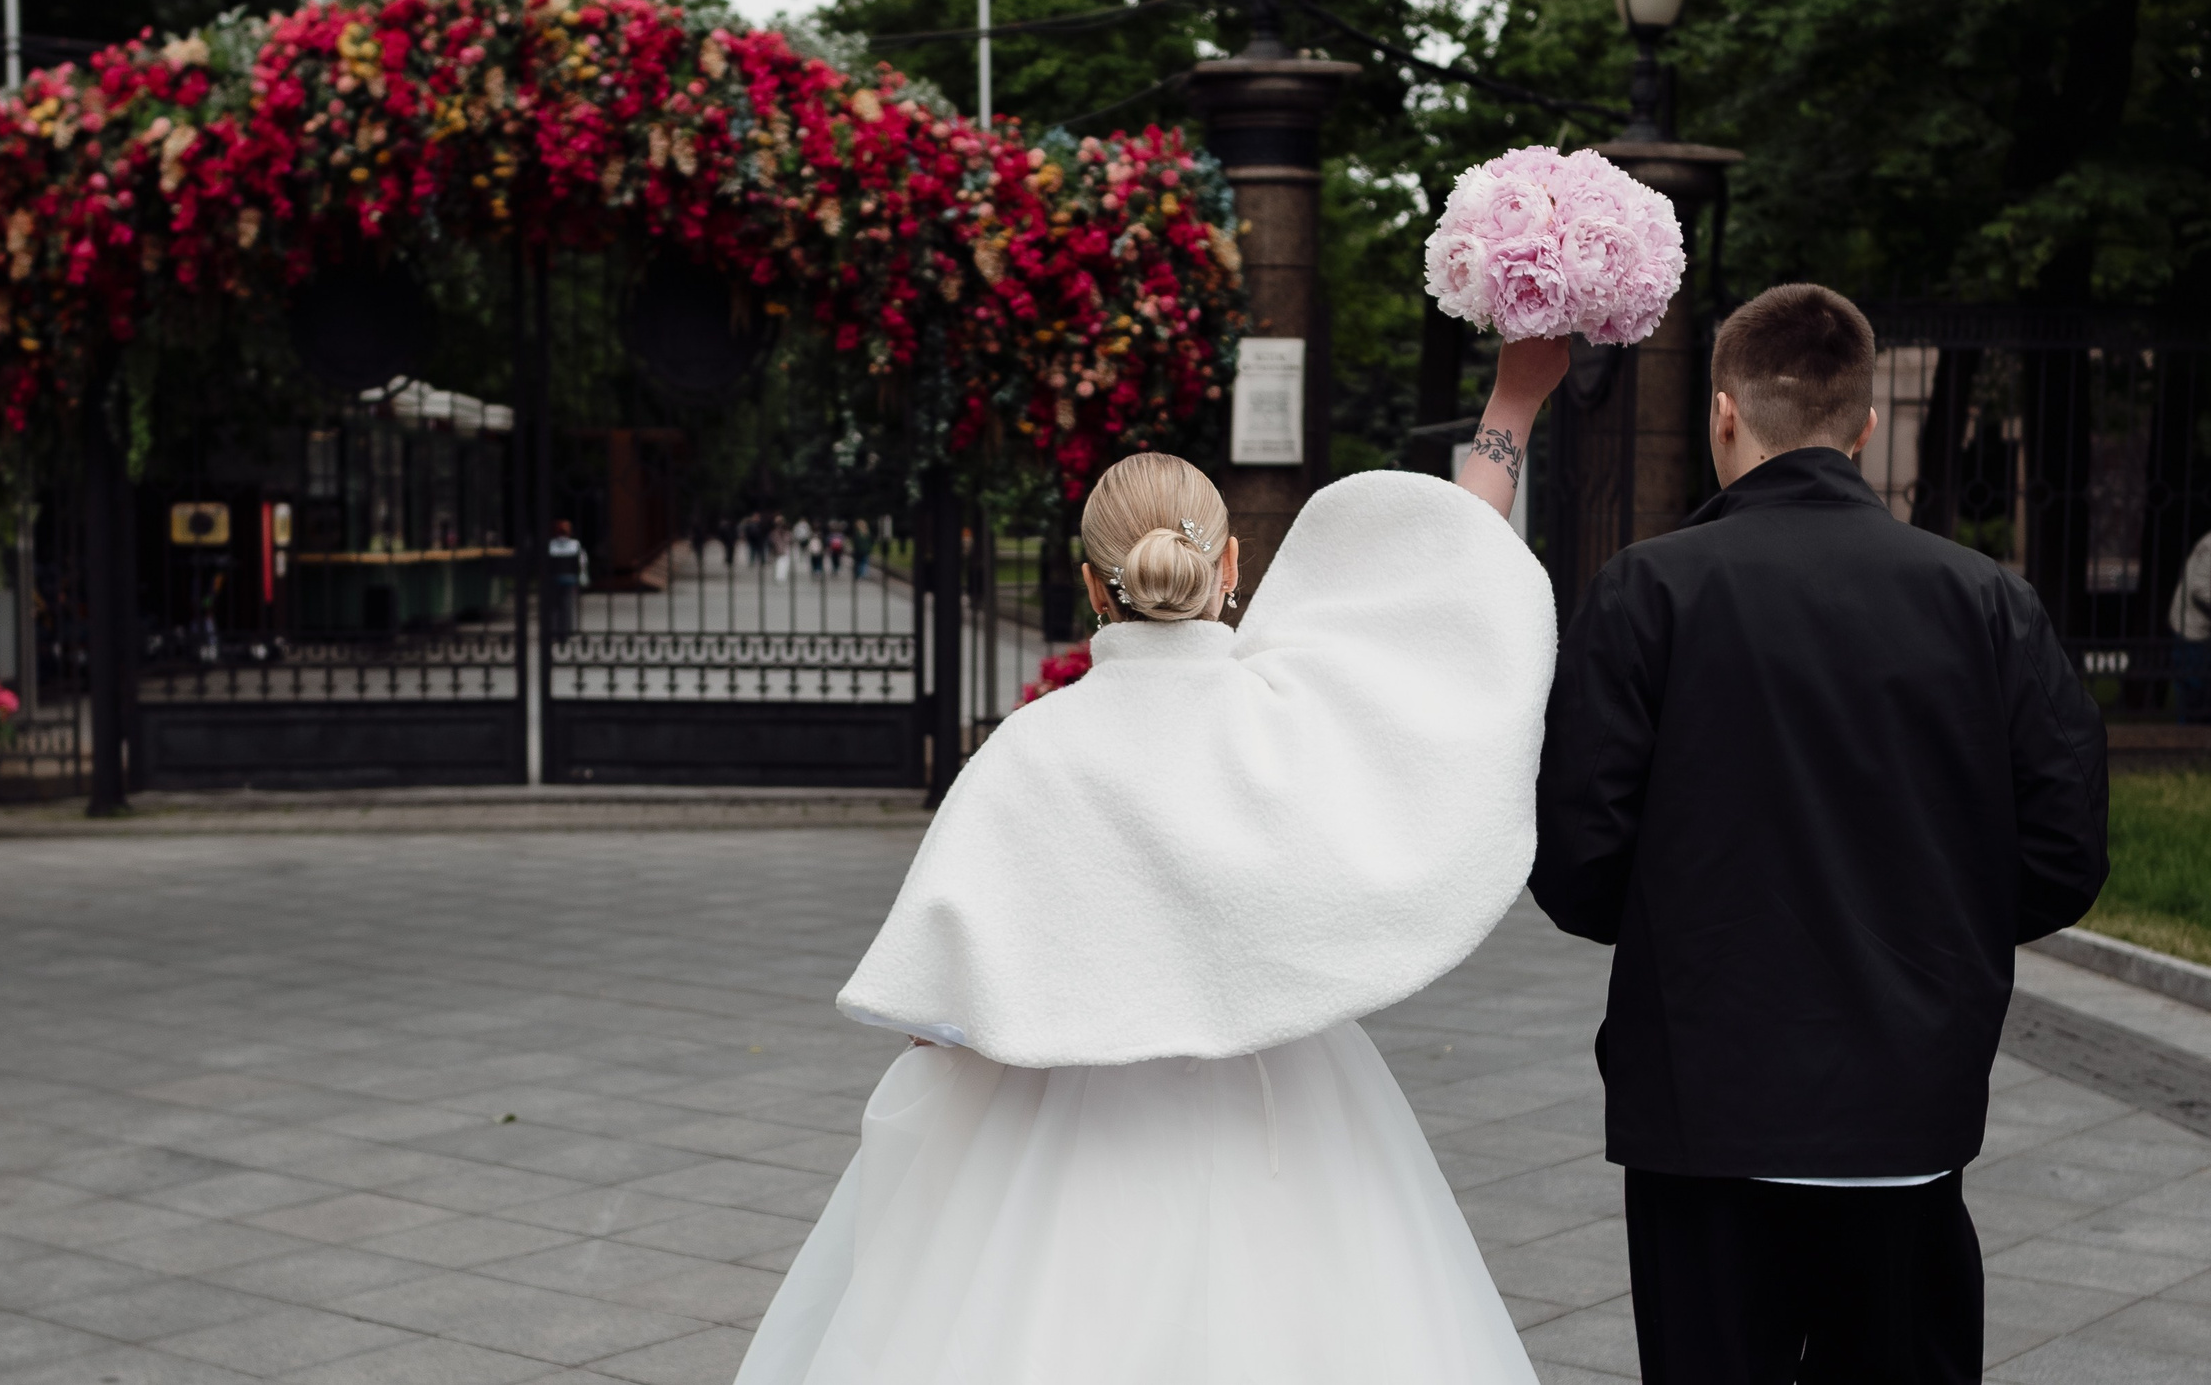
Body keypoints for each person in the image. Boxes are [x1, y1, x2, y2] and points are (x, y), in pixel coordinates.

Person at [734, 340, 1571, 1385]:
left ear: (1092, 583)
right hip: (1291, 1115)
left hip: (1058, 1142)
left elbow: (934, 1010)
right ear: (1229, 569)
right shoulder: (1288, 723)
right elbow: (1443, 584)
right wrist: (1513, 398)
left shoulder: (1030, 755)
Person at [1531, 284, 2109, 1384]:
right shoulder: (1986, 599)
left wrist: (1678, 928)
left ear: (1721, 413)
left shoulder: (1645, 591)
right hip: (1908, 1102)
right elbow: (2064, 853)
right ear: (1864, 424)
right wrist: (1941, 935)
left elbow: (1575, 865)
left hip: (1704, 1103)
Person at [2169, 527, 2211, 719]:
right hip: (2192, 629)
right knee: (2192, 691)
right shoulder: (2210, 545)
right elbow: (2199, 588)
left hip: (2198, 628)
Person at [545, 519, 586, 647]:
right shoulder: (575, 544)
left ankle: (554, 631)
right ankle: (566, 631)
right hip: (569, 579)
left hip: (554, 579)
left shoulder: (551, 544)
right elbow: (581, 563)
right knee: (567, 606)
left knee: (555, 607)